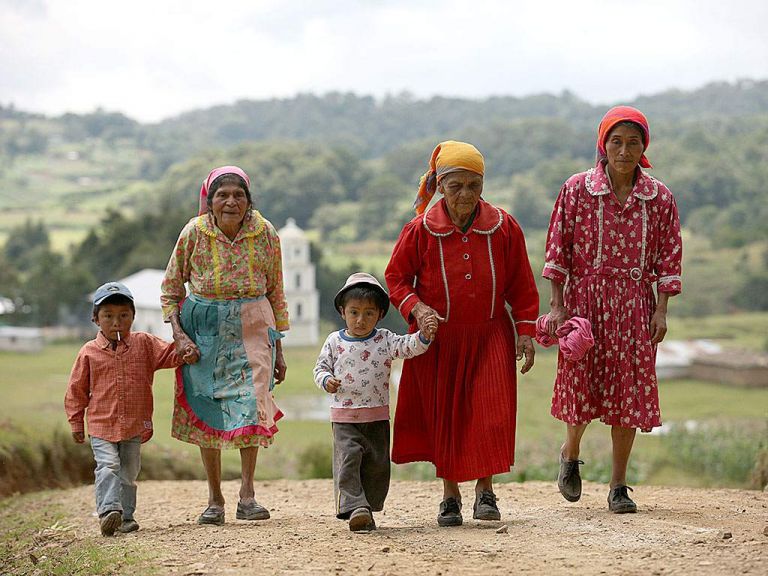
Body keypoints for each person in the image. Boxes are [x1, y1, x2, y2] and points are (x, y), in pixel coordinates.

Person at [385, 140, 539, 527]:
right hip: (439, 341)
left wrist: (524, 331)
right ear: (439, 186)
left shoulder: (504, 227)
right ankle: (450, 496)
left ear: (483, 184)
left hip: (490, 336)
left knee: (489, 414)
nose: (465, 194)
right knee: (446, 417)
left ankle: (485, 492)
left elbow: (521, 284)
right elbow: (397, 279)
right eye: (455, 186)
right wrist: (418, 309)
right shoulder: (420, 231)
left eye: (473, 185)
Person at [543, 106, 682, 514]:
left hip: (636, 307)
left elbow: (670, 258)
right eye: (616, 142)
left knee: (630, 391)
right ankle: (570, 455)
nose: (624, 150)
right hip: (586, 303)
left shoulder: (659, 198)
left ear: (644, 147)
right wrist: (557, 305)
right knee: (581, 384)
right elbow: (557, 248)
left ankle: (618, 485)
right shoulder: (577, 189)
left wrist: (661, 310)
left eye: (633, 142)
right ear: (603, 145)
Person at [160, 165, 289, 526]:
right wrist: (180, 335)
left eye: (239, 195)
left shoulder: (265, 234)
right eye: (222, 195)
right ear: (210, 201)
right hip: (204, 332)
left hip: (254, 327)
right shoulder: (193, 233)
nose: (231, 201)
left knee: (252, 405)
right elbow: (170, 290)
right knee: (207, 407)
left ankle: (247, 495)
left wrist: (280, 347)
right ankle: (214, 498)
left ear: (249, 201)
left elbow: (276, 290)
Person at [65, 281, 197, 536]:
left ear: (133, 317)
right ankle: (108, 510)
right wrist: (75, 423)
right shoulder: (89, 353)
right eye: (108, 316)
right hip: (102, 425)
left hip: (134, 424)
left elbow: (169, 354)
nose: (117, 322)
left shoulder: (144, 344)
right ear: (96, 319)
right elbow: (76, 391)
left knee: (128, 473)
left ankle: (126, 517)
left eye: (124, 315)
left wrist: (186, 351)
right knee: (107, 466)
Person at [313, 273, 437, 532]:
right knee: (349, 459)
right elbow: (320, 368)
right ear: (342, 311)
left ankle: (366, 508)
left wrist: (424, 336)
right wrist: (326, 380)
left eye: (369, 313)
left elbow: (408, 346)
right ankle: (355, 506)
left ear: (380, 314)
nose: (361, 320)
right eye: (354, 312)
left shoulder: (385, 340)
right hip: (345, 417)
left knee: (377, 466)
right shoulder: (334, 341)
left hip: (377, 417)